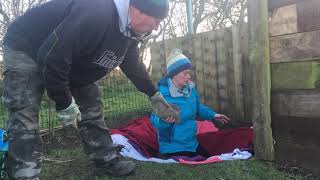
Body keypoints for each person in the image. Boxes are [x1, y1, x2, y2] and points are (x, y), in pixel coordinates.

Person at [2, 0, 179, 179]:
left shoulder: (129, 31)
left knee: (92, 105)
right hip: (26, 47)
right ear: (138, 11)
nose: (156, 28)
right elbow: (53, 57)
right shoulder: (96, 11)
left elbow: (132, 64)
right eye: (156, 21)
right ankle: (24, 174)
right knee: (24, 113)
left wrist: (153, 94)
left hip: (68, 57)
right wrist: (64, 102)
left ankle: (105, 158)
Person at [150, 49, 230, 158]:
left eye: (189, 73)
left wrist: (213, 115)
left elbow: (198, 107)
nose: (189, 76)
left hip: (192, 142)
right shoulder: (162, 95)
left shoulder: (190, 90)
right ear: (174, 74)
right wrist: (164, 121)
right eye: (185, 73)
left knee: (212, 158)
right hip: (172, 146)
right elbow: (154, 120)